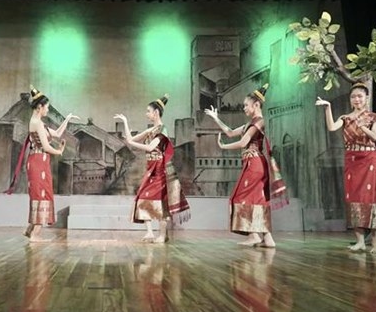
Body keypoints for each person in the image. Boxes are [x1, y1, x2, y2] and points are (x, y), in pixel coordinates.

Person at [315, 82, 376, 253]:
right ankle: (360, 241)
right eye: (353, 96)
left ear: (366, 98)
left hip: (370, 159)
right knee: (353, 197)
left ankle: (375, 243)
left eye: (360, 96)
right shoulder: (345, 118)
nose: (356, 99)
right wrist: (328, 107)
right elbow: (332, 127)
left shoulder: (373, 117)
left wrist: (362, 125)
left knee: (372, 198)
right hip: (352, 160)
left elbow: (375, 137)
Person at [204, 84, 276, 247]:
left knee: (241, 197)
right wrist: (216, 118)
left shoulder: (258, 122)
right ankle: (268, 237)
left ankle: (253, 235)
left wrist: (223, 147)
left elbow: (243, 142)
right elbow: (229, 132)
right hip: (253, 163)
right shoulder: (250, 124)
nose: (243, 108)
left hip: (255, 163)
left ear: (256, 105)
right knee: (258, 199)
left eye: (245, 105)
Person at [114, 94, 190, 243]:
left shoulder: (162, 130)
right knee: (142, 199)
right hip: (151, 171)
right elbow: (130, 140)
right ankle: (150, 233)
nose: (146, 114)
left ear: (156, 113)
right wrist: (125, 122)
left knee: (162, 203)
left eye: (148, 111)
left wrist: (136, 146)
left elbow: (150, 147)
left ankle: (162, 235)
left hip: (160, 171)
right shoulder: (151, 130)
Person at [6, 85, 78, 242]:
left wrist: (67, 119)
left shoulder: (40, 123)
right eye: (47, 107)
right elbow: (45, 146)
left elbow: (58, 134)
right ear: (39, 107)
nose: (48, 110)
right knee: (41, 194)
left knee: (40, 193)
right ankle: (35, 234)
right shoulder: (36, 123)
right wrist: (59, 152)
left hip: (41, 162)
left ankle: (30, 230)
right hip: (38, 161)